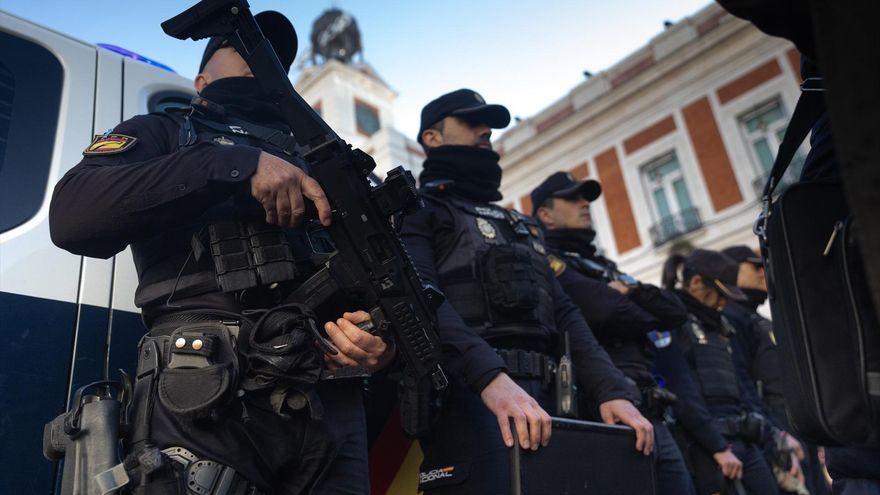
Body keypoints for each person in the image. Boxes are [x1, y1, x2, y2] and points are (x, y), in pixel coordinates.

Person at [49, 11, 392, 494]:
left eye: (272, 57)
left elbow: (380, 283)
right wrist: (231, 164)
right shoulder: (166, 133)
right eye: (241, 48)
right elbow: (73, 217)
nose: (260, 59)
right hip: (206, 392)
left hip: (330, 410)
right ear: (201, 78)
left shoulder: (323, 166)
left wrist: (377, 342)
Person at [400, 88, 653, 494]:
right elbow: (419, 299)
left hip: (554, 404)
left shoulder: (521, 225)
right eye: (472, 122)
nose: (486, 131)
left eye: (490, 125)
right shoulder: (416, 209)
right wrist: (490, 379)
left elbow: (566, 313)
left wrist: (611, 391)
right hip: (472, 400)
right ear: (432, 138)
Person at [530, 171, 696, 495]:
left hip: (650, 408)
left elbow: (676, 312)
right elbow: (602, 309)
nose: (585, 204)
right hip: (602, 408)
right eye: (572, 198)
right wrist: (635, 306)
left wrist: (628, 291)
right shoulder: (548, 259)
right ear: (545, 214)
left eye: (586, 198)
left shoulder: (602, 265)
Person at [658, 249, 780, 495]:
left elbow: (739, 383)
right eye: (719, 294)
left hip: (742, 438)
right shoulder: (675, 322)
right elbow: (683, 392)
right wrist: (717, 446)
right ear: (695, 283)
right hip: (708, 445)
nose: (724, 302)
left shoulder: (719, 326)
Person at [721, 245, 823, 495]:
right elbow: (742, 381)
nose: (762, 271)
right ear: (732, 271)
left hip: (797, 420)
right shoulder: (731, 318)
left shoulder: (755, 319)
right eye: (754, 266)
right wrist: (775, 434)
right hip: (777, 423)